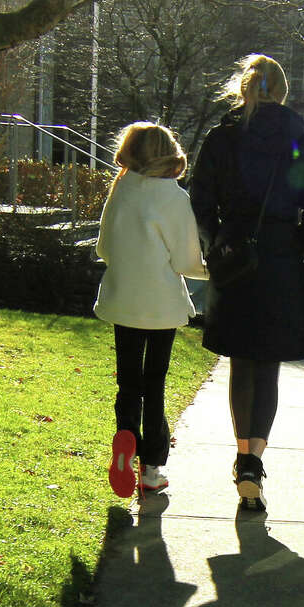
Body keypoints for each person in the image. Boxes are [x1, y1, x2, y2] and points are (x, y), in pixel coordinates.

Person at [189, 54, 304, 510]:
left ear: (243, 90)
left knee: (240, 361)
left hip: (234, 254)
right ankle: (256, 460)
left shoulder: (222, 137)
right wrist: (299, 246)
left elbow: (201, 199)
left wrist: (216, 242)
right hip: (280, 257)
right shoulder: (300, 140)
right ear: (282, 91)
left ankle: (244, 455)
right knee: (266, 363)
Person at [94, 121, 208, 498]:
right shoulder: (173, 198)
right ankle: (152, 469)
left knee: (128, 380)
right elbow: (187, 261)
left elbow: (104, 249)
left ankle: (126, 435)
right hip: (161, 306)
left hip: (123, 300)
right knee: (155, 383)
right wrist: (215, 271)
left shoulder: (121, 191)